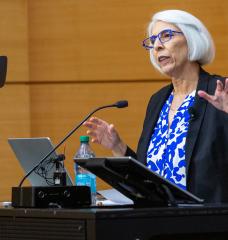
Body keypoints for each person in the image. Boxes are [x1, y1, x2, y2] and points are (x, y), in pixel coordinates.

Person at [83, 10, 228, 203]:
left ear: (192, 38)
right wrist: (118, 147)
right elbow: (148, 179)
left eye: (166, 36)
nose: (157, 46)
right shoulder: (158, 101)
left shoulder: (220, 91)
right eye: (153, 41)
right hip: (159, 223)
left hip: (210, 223)